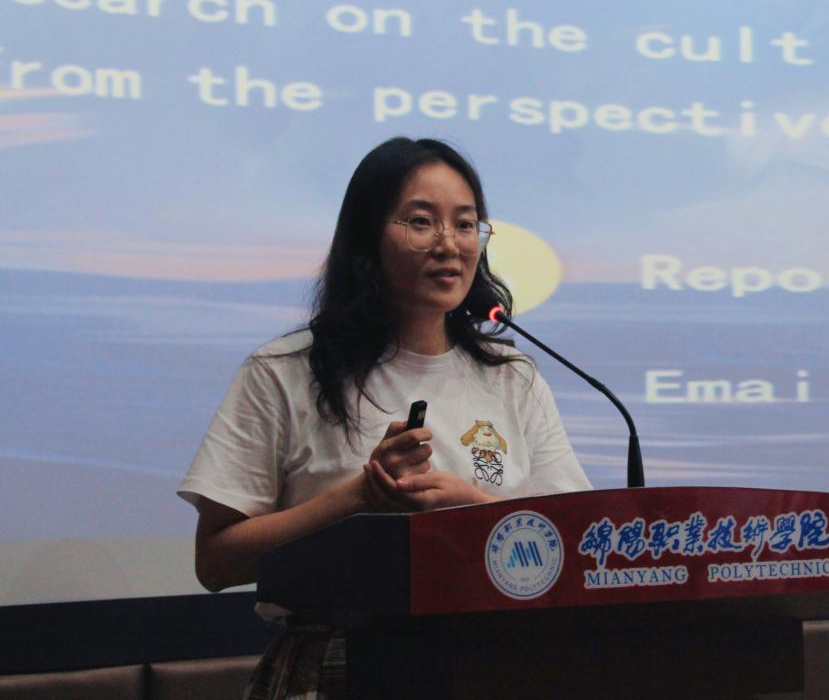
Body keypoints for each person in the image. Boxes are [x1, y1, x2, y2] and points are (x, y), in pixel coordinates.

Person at [177, 136, 591, 697]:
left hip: (497, 659)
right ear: (367, 237)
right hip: (337, 661)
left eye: (465, 224)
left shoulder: (512, 377)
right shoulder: (285, 372)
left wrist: (466, 507)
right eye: (421, 222)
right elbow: (216, 563)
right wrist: (358, 499)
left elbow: (572, 545)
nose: (449, 244)